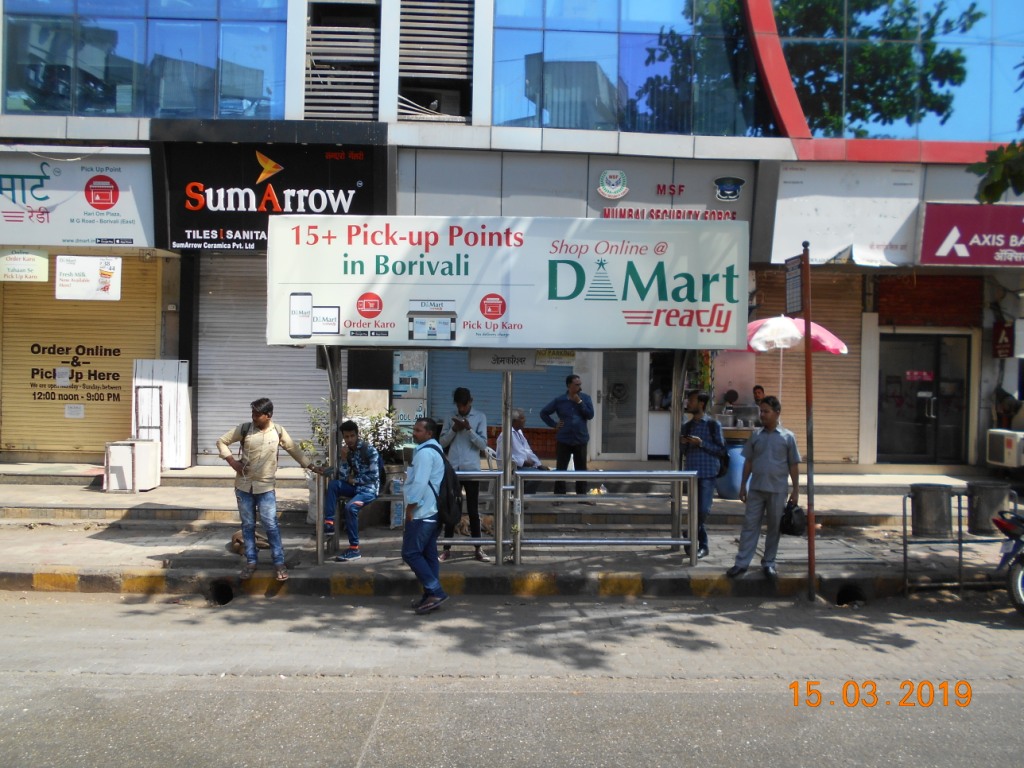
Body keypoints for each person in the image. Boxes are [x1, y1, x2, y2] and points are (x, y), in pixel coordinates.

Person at [217, 397, 316, 582]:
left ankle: (279, 563)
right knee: (247, 526)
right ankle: (251, 562)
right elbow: (221, 441)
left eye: (257, 414)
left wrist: (311, 466)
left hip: (266, 488)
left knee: (271, 525)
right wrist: (232, 461)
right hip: (243, 487)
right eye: (252, 413)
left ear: (268, 415)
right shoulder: (245, 428)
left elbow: (295, 450)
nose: (253, 417)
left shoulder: (278, 431)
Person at [726, 395, 801, 580]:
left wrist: (796, 490)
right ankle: (741, 563)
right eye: (761, 411)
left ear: (777, 413)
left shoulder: (788, 437)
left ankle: (769, 563)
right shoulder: (756, 435)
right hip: (757, 489)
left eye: (766, 411)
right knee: (750, 526)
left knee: (774, 527)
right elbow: (748, 462)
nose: (763, 415)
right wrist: (743, 485)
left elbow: (793, 465)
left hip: (778, 490)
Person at [401, 417, 449, 614]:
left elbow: (419, 484)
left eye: (419, 430)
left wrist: (410, 508)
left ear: (429, 433)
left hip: (421, 512)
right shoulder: (435, 450)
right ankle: (430, 595)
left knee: (410, 553)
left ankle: (435, 591)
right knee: (429, 556)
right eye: (414, 429)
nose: (414, 433)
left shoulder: (424, 454)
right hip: (432, 511)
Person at [438, 387, 490, 562]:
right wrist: (454, 429)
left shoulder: (480, 417)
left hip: (472, 469)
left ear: (470, 401)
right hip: (453, 469)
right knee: (451, 508)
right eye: (459, 406)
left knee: (473, 510)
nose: (461, 409)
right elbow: (442, 442)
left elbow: (483, 445)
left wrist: (469, 430)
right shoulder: (449, 416)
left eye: (464, 406)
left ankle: (478, 548)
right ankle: (446, 548)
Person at [323, 419, 379, 563]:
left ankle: (354, 549)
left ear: (357, 435)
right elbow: (343, 477)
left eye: (352, 436)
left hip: (369, 490)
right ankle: (329, 523)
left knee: (350, 507)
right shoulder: (347, 452)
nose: (349, 440)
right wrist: (343, 459)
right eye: (346, 437)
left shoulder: (369, 450)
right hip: (355, 487)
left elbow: (374, 476)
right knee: (334, 485)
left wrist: (354, 481)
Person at [680, 390, 726, 559]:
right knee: (694, 510)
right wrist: (684, 443)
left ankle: (690, 533)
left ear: (701, 403)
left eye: (691, 401)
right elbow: (683, 452)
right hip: (692, 474)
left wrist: (701, 443)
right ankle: (702, 544)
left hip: (707, 473)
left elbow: (721, 450)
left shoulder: (713, 425)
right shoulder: (687, 426)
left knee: (704, 510)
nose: (688, 404)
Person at [540, 374, 595, 499]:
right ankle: (559, 496)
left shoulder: (585, 398)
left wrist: (579, 402)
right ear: (569, 385)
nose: (579, 387)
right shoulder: (560, 400)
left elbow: (590, 415)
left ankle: (581, 496)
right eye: (576, 385)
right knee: (561, 468)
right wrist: (554, 424)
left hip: (580, 439)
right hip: (564, 439)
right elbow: (544, 413)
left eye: (580, 384)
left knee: (581, 469)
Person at [497, 407, 549, 494]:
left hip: (521, 466)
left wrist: (539, 464)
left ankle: (520, 496)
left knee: (542, 472)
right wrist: (523, 462)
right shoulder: (506, 434)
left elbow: (528, 451)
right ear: (514, 421)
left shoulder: (519, 432)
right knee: (537, 475)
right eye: (522, 418)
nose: (525, 420)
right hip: (511, 468)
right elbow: (505, 456)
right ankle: (521, 498)